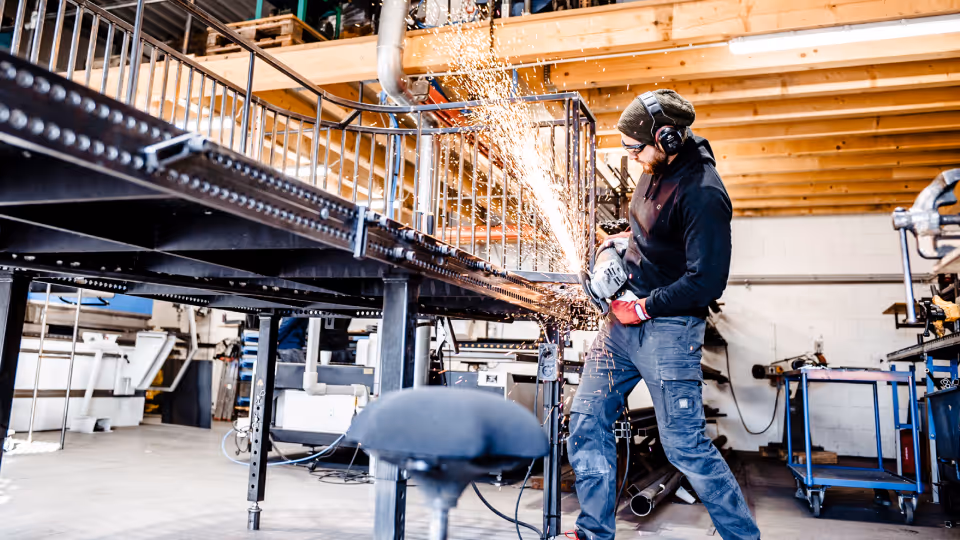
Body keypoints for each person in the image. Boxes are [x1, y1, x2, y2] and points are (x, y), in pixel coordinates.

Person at [568, 90, 761, 540]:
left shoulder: (704, 194)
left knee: (685, 446)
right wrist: (611, 244)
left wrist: (645, 306)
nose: (632, 157)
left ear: (668, 139)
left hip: (669, 330)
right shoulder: (654, 170)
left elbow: (707, 281)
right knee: (586, 418)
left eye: (637, 148)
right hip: (621, 328)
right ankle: (593, 531)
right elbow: (646, 233)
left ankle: (742, 537)